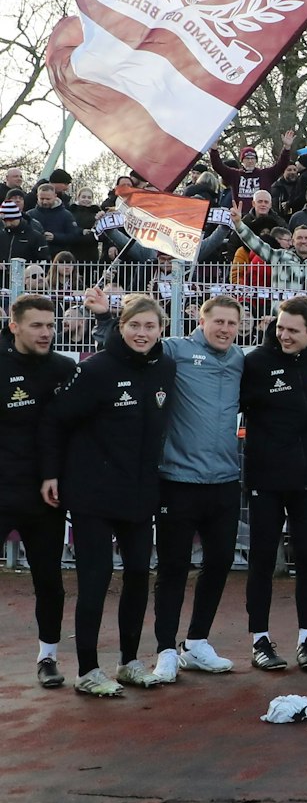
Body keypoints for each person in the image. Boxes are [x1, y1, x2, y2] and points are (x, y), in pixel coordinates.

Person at [80, 291, 248, 684]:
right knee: (172, 568)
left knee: (220, 562)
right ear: (200, 321)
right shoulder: (173, 350)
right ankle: (166, 649)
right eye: (217, 321)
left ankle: (198, 642)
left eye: (231, 323)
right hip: (177, 480)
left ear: (240, 327)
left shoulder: (242, 360)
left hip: (225, 481)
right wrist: (108, 317)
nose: (224, 329)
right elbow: (130, 345)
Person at [47, 294, 177, 697]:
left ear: (161, 330)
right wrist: (51, 473)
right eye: (134, 326)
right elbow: (56, 420)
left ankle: (129, 662)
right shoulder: (97, 369)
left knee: (139, 576)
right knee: (95, 579)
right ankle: (87, 669)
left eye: (150, 327)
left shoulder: (165, 368)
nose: (142, 333)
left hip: (139, 495)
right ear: (121, 327)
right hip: (93, 495)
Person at [242, 295, 307, 673]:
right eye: (280, 327)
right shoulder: (255, 362)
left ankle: (306, 638)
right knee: (263, 559)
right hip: (266, 478)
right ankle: (259, 640)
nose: (283, 335)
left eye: (292, 331)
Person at [0, 295, 78, 688]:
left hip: (45, 497)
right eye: (37, 326)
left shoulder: (65, 368)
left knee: (49, 581)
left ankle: (47, 657)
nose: (47, 332)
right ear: (14, 326)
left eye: (50, 325)